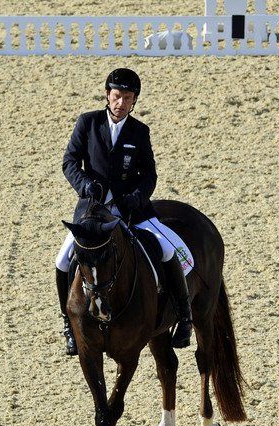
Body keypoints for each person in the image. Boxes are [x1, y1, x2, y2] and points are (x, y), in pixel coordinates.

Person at [55, 68, 194, 356]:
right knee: (63, 261)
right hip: (93, 211)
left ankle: (184, 317)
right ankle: (69, 325)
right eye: (117, 96)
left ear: (134, 101)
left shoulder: (139, 131)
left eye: (128, 98)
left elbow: (149, 175)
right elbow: (70, 162)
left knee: (168, 250)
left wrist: (136, 198)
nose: (121, 103)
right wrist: (84, 185)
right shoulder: (88, 123)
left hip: (131, 211)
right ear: (108, 95)